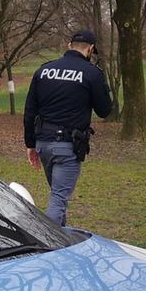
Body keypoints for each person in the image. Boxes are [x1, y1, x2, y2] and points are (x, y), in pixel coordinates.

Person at [23, 30, 113, 226]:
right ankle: (48, 241)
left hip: (43, 143)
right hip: (67, 146)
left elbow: (30, 110)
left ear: (69, 45)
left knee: (57, 195)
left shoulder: (43, 71)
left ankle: (60, 237)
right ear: (91, 49)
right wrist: (102, 86)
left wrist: (30, 144)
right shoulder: (92, 73)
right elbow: (105, 110)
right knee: (58, 199)